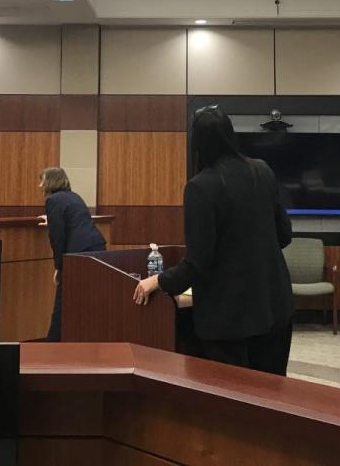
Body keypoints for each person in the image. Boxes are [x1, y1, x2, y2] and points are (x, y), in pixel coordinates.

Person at [132, 105, 294, 376]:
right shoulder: (262, 170)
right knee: (273, 400)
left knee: (233, 405)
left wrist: (157, 280)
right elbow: (285, 235)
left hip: (230, 319)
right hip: (275, 306)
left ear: (197, 142)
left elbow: (198, 263)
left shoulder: (200, 186)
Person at [40, 166, 106, 342]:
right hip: (96, 246)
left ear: (50, 181)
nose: (40, 185)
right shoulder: (74, 197)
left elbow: (57, 237)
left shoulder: (53, 200)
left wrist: (59, 267)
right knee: (87, 299)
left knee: (63, 301)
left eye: (42, 180)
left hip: (78, 253)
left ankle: (52, 345)